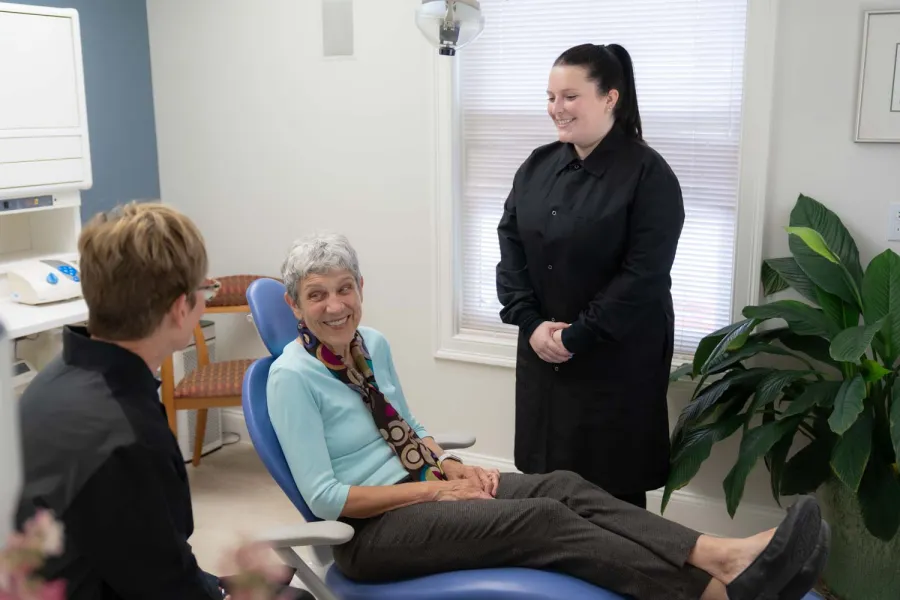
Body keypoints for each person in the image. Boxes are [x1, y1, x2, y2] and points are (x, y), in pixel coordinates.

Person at [267, 232, 830, 600]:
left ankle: (717, 553)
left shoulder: (371, 345)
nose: (335, 305)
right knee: (543, 522)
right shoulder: (291, 378)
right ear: (294, 305)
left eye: (345, 289)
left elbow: (405, 428)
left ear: (361, 289)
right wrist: (433, 494)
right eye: (316, 296)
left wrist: (452, 467)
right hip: (372, 534)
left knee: (563, 486)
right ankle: (712, 593)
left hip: (423, 484)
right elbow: (326, 499)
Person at [14, 203, 307, 600]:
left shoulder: (52, 380)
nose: (207, 295)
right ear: (179, 309)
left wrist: (216, 585)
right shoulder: (126, 434)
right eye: (205, 288)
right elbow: (167, 589)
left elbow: (144, 553)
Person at [496, 43, 683, 509]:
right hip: (544, 351)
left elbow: (644, 277)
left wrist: (578, 335)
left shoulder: (649, 176)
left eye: (570, 96)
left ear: (609, 98)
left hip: (615, 359)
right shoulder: (537, 166)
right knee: (546, 487)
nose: (556, 109)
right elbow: (510, 246)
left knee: (611, 494)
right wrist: (533, 324)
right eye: (551, 97)